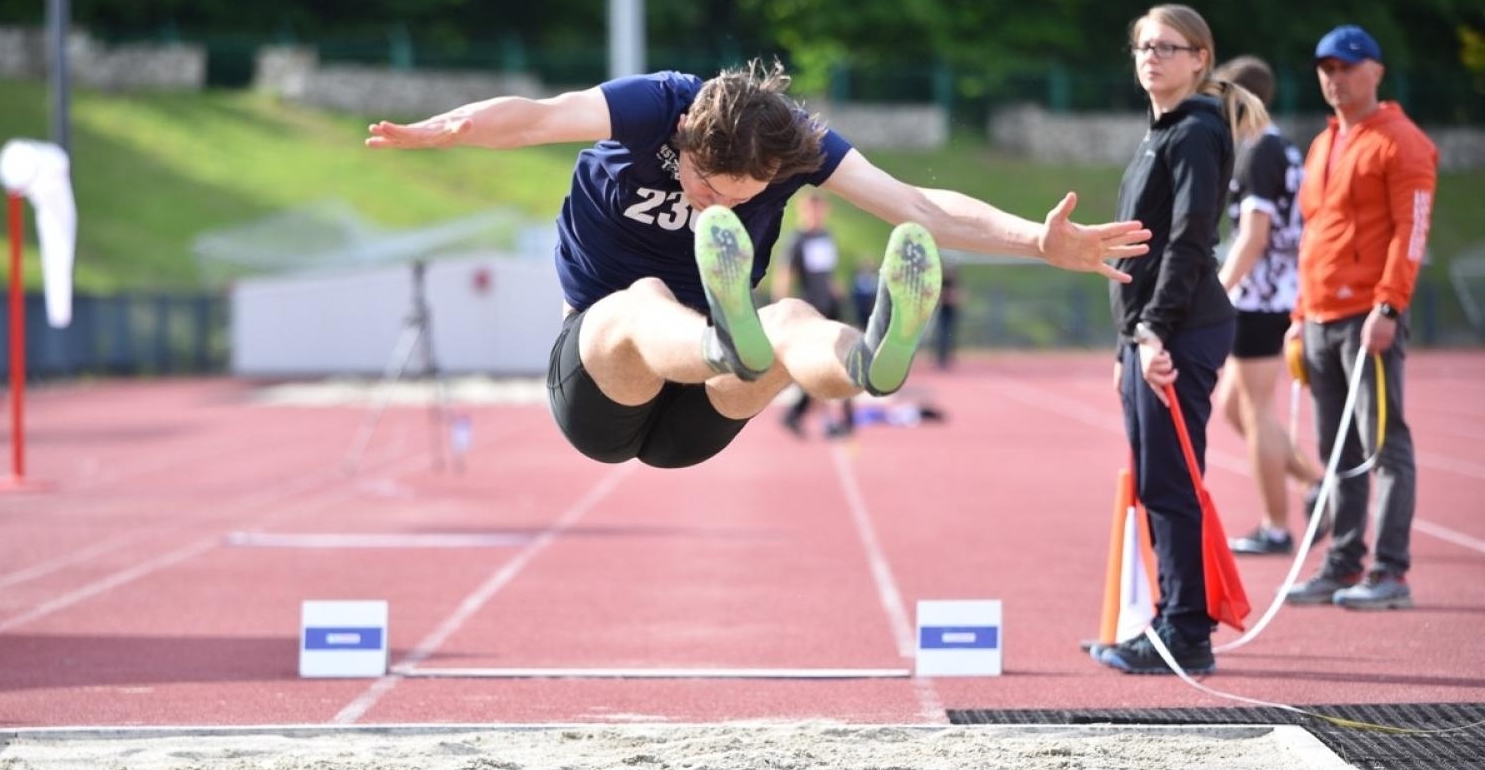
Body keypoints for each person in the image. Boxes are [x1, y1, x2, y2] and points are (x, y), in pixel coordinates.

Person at [367, 60, 1150, 471]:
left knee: (795, 320)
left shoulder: (798, 148)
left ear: (773, 173)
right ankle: (729, 341)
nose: (711, 206)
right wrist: (449, 129)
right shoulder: (656, 105)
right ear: (683, 139)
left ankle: (870, 362)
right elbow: (537, 118)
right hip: (604, 386)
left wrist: (1040, 243)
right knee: (644, 298)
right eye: (702, 185)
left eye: (733, 199)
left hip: (703, 414)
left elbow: (924, 209)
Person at [1093, 4, 1269, 676]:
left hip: (1179, 329)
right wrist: (1125, 343)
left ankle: (1183, 631)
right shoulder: (1159, 131)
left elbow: (1192, 239)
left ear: (1200, 58)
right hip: (1148, 334)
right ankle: (1167, 617)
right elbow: (1141, 244)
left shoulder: (1193, 131)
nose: (1152, 57)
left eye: (1168, 47)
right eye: (1143, 46)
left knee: (1170, 482)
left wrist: (1155, 331)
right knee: (1156, 479)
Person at [1283, 25, 1437, 611]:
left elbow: (1412, 231)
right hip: (1320, 318)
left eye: (1347, 66)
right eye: (1326, 67)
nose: (1335, 77)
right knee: (1337, 448)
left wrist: (1389, 305)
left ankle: (1391, 571)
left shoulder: (1402, 142)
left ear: (1376, 70)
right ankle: (1342, 563)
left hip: (1368, 318)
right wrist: (1300, 314)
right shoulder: (1324, 144)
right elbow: (1312, 236)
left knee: (1385, 442)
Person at [1209, 56, 1324, 556]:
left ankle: (1276, 526)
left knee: (1255, 410)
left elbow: (1253, 236)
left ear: (1239, 99)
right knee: (1234, 406)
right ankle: (1320, 484)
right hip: (1267, 293)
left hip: (1261, 297)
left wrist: (1216, 289)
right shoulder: (1274, 148)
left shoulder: (1262, 152)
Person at [773, 191, 854, 438]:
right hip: (811, 311)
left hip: (831, 307)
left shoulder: (826, 237)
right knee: (825, 364)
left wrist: (834, 288)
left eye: (819, 209)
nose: (816, 214)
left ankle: (802, 415)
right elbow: (785, 273)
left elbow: (825, 271)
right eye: (811, 209)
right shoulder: (797, 239)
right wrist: (782, 307)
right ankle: (828, 418)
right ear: (803, 211)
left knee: (840, 361)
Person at [932, 253, 963, 369]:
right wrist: (947, 296)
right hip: (943, 311)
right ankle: (940, 357)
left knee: (950, 335)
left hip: (952, 312)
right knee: (942, 334)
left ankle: (949, 356)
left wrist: (955, 297)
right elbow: (938, 295)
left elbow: (960, 295)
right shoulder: (943, 281)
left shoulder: (957, 281)